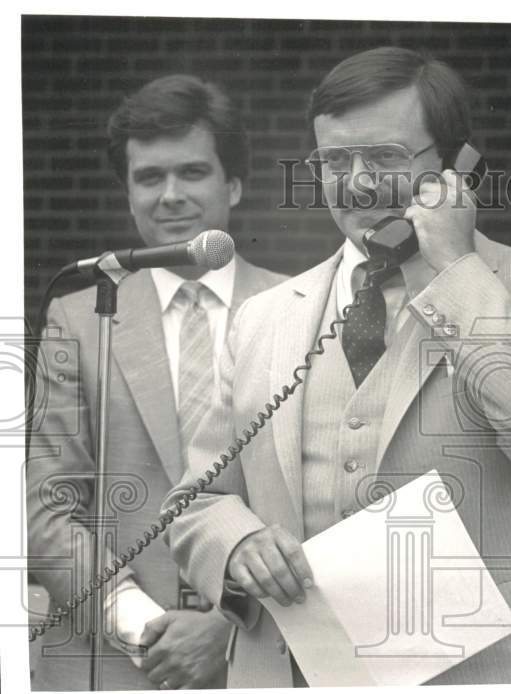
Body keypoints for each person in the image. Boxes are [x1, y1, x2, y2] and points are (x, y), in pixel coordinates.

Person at [163, 47, 511, 687]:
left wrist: (456, 269)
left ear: (456, 167)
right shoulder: (262, 318)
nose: (358, 183)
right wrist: (237, 545)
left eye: (386, 158)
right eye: (335, 162)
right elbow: (197, 500)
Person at [26, 74, 286, 690]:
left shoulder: (305, 306)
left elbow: (328, 501)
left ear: (235, 184)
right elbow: (46, 511)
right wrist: (145, 628)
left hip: (266, 655)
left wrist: (232, 627)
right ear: (129, 193)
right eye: (148, 178)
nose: (170, 196)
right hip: (111, 660)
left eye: (193, 172)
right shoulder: (78, 317)